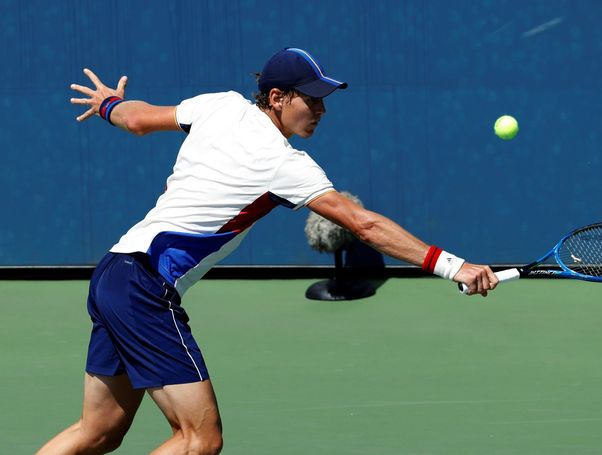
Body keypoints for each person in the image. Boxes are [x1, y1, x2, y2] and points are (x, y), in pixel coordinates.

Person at [38, 47, 497, 454]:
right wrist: (453, 266)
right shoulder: (284, 164)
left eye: (323, 100)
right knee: (200, 440)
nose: (320, 109)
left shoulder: (218, 105)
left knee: (99, 432)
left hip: (113, 272)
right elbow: (364, 224)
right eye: (310, 98)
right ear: (277, 98)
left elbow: (136, 120)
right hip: (143, 288)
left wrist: (109, 105)